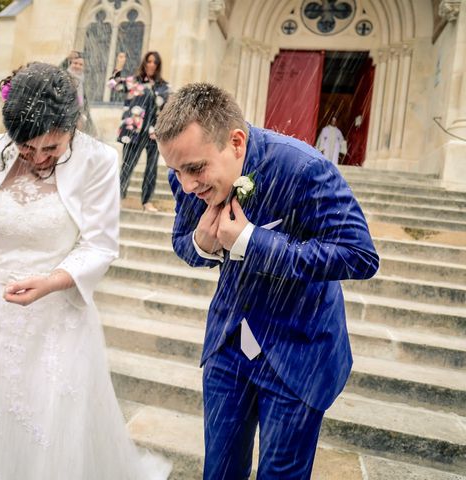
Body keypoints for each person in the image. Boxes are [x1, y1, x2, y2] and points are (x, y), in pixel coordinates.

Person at [0, 62, 171, 479]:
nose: (38, 158)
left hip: (58, 321)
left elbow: (99, 245)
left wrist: (51, 281)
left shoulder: (99, 160)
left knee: (47, 435)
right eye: (26, 148)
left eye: (51, 148)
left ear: (73, 124)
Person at [154, 83, 379, 480]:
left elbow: (359, 255)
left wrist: (252, 242)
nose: (187, 185)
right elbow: (183, 242)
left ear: (236, 142)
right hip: (228, 343)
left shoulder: (304, 168)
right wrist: (201, 246)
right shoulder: (185, 173)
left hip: (298, 351)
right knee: (219, 471)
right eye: (176, 171)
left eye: (195, 169)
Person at [109, 51, 170, 212]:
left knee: (151, 168)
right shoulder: (134, 82)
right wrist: (119, 66)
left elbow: (169, 109)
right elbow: (113, 85)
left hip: (153, 133)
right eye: (148, 61)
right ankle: (118, 198)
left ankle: (147, 201)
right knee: (127, 165)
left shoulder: (163, 87)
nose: (151, 65)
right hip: (133, 131)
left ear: (158, 66)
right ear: (144, 63)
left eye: (154, 62)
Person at [64, 51, 97, 136]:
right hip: (66, 112)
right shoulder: (63, 76)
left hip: (81, 112)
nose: (77, 66)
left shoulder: (85, 80)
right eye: (75, 63)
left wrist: (84, 113)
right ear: (70, 63)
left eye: (81, 64)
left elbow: (84, 99)